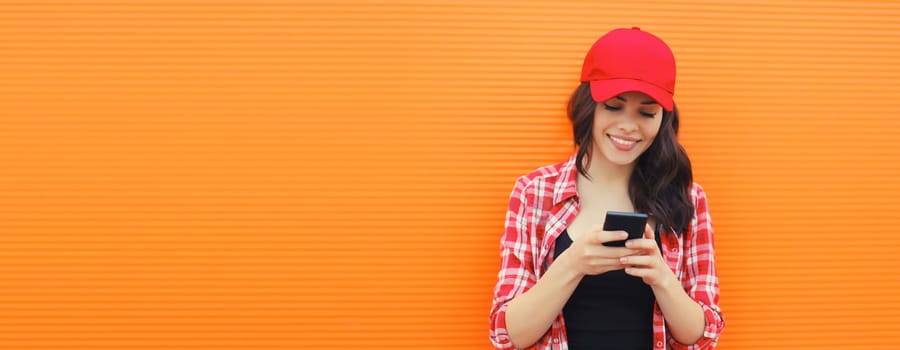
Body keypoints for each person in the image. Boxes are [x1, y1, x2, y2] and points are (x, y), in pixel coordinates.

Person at [489, 27, 724, 349]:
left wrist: (662, 278)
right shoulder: (534, 192)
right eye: (614, 107)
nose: (628, 126)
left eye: (647, 113)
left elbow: (702, 336)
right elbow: (508, 336)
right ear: (588, 107)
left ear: (663, 120)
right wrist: (572, 265)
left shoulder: (687, 197)